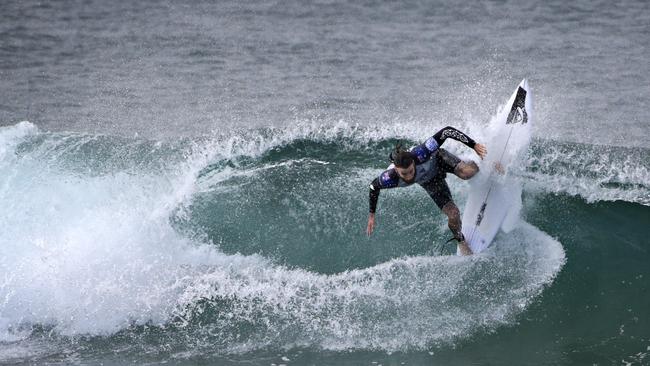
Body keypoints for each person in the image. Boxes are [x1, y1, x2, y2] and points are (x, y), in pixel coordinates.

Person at [366, 126, 487, 255]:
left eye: (411, 171)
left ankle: (483, 162)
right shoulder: (389, 178)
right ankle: (461, 240)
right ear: (396, 169)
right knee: (453, 214)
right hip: (430, 182)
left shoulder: (422, 152)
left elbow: (446, 131)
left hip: (439, 160)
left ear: (413, 162)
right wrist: (372, 215)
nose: (409, 176)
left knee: (466, 173)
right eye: (404, 174)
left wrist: (474, 145)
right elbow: (373, 187)